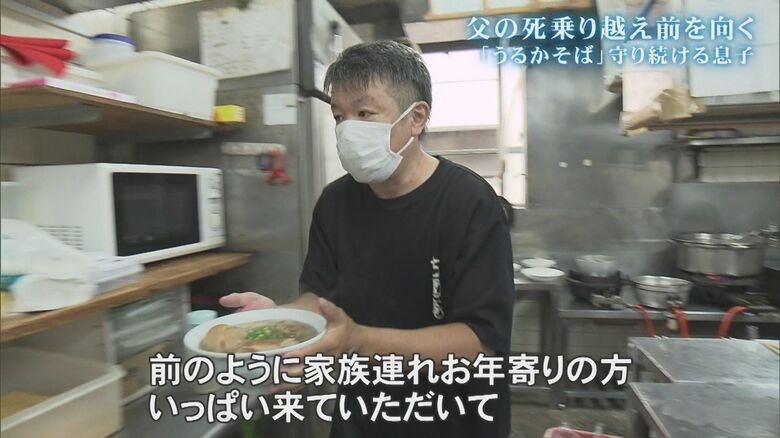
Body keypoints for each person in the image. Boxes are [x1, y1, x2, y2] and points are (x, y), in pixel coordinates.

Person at [220, 40, 514, 438]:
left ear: (416, 117)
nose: (347, 130)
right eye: (338, 116)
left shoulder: (468, 201)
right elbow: (320, 299)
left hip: (455, 420)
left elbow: (480, 342)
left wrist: (359, 341)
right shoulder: (335, 202)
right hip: (363, 416)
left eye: (364, 113)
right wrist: (279, 321)